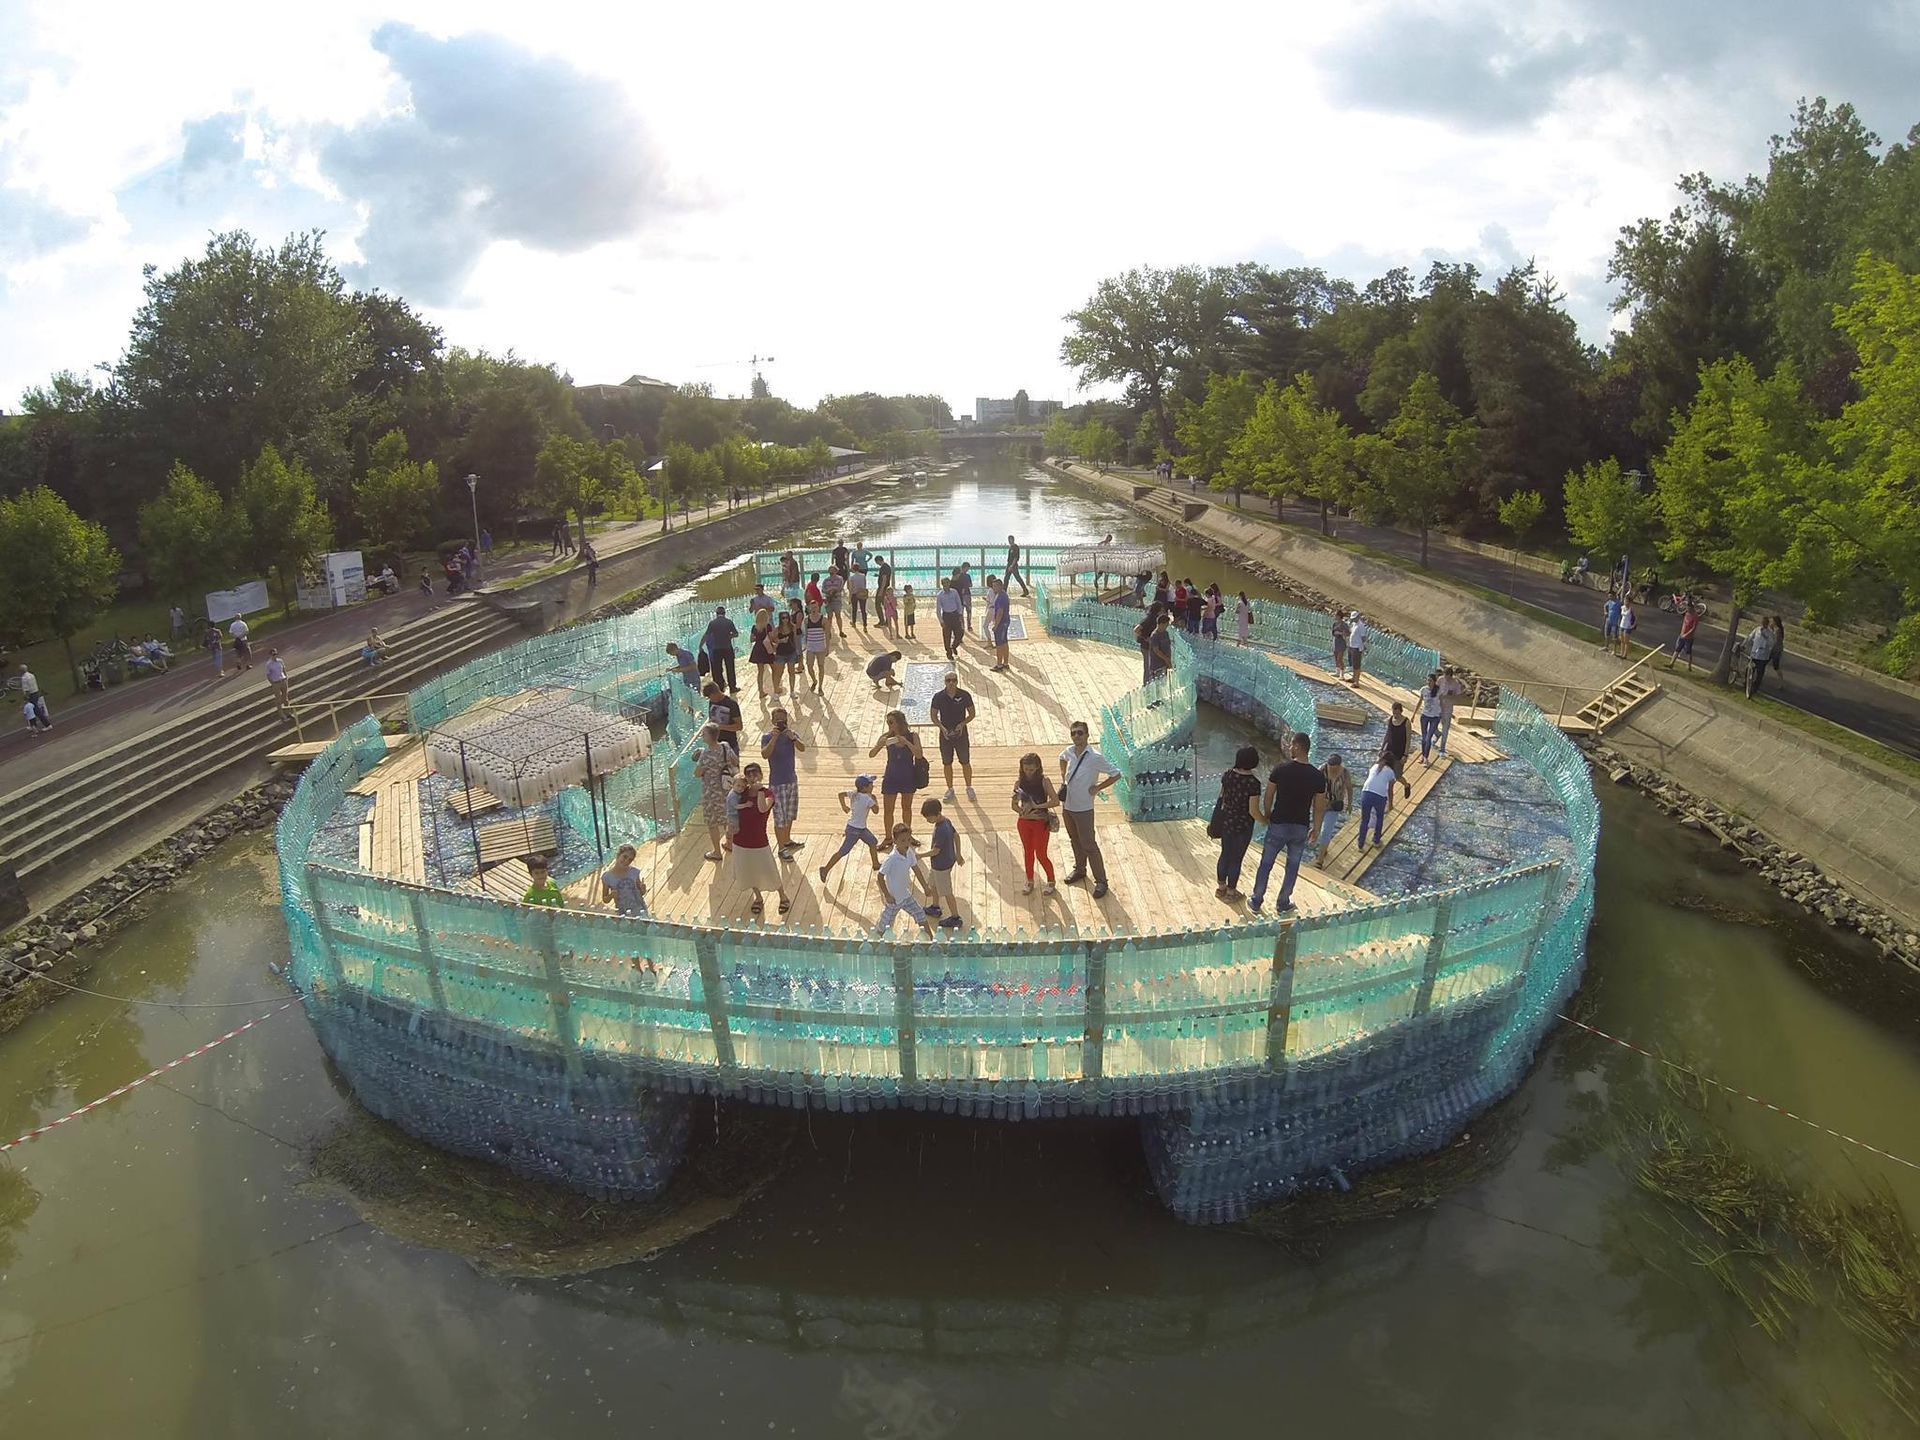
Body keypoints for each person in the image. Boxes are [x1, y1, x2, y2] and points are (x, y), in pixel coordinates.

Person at [1248, 732, 1329, 915]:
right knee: (1292, 866)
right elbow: (1319, 807)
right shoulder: (1317, 777)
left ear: (1298, 747)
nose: (1290, 748)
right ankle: (1283, 902)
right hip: (1300, 827)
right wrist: (1316, 828)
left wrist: (1268, 814)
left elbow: (1268, 794)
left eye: (1292, 745)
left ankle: (1256, 900)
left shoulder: (1281, 769)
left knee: (1266, 863)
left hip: (1278, 823)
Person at [1057, 720, 1120, 898]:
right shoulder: (1069, 751)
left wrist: (1098, 788)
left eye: (1080, 733)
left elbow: (1116, 774)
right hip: (1068, 805)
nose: (1076, 736)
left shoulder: (1094, 757)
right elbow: (1061, 758)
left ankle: (1101, 881)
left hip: (1084, 808)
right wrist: (1063, 777)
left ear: (1087, 735)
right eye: (1073, 733)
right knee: (1074, 839)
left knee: (1089, 845)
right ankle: (1080, 869)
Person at [728, 763, 791, 916]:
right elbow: (730, 807)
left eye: (755, 774)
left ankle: (782, 896)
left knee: (769, 869)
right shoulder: (741, 792)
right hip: (741, 840)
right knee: (748, 871)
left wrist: (760, 791)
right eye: (748, 775)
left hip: (759, 840)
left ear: (761, 775)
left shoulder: (768, 793)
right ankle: (758, 897)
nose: (752, 777)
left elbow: (763, 808)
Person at [1212, 745, 1264, 902]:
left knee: (1225, 854)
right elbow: (1253, 811)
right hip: (1243, 826)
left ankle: (1221, 888)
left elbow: (1222, 796)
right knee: (1236, 858)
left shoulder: (1228, 775)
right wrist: (1265, 820)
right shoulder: (1253, 783)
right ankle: (1231, 892)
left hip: (1227, 821)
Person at [759, 707, 807, 857]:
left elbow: (802, 748)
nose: (781, 723)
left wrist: (792, 737)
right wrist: (774, 738)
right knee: (779, 817)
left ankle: (787, 840)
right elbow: (765, 755)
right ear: (773, 721)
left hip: (791, 781)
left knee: (790, 814)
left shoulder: (791, 735)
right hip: (777, 784)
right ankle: (781, 848)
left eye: (784, 720)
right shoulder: (767, 737)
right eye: (778, 720)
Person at [1010, 751, 1059, 895]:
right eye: (1026, 769)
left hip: (1040, 823)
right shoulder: (1019, 782)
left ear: (1038, 767)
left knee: (1041, 854)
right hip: (1024, 822)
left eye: (1031, 769)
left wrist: (1037, 807)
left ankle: (1051, 880)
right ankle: (1029, 880)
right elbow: (1013, 805)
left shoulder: (1045, 781)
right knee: (1028, 852)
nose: (1029, 772)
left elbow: (1055, 801)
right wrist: (1021, 811)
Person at [874, 825, 936, 937]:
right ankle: (876, 945)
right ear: (895, 841)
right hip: (893, 901)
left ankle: (931, 942)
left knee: (921, 916)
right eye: (903, 840)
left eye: (908, 839)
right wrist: (887, 895)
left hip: (906, 896)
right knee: (883, 928)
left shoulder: (909, 853)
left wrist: (925, 887)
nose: (906, 843)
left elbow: (916, 869)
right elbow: (880, 877)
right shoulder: (891, 859)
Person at [869, 708, 924, 835]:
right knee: (888, 810)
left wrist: (906, 743)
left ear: (899, 722)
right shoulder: (886, 737)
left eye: (891, 722)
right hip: (891, 776)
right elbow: (871, 754)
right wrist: (879, 745)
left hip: (907, 776)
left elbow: (919, 755)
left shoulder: (912, 736)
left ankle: (907, 836)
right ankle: (888, 836)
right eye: (888, 722)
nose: (889, 725)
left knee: (906, 808)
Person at [819, 775, 883, 882]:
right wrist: (875, 800)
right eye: (871, 784)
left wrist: (844, 806)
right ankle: (825, 869)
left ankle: (876, 864)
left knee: (873, 842)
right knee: (843, 851)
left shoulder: (853, 793)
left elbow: (840, 794)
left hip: (856, 828)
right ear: (864, 788)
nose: (873, 786)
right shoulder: (868, 799)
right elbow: (876, 811)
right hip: (856, 831)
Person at [919, 797, 965, 929]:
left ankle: (955, 917)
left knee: (946, 892)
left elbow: (935, 851)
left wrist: (920, 855)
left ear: (937, 814)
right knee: (933, 885)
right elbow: (956, 836)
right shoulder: (946, 821)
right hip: (940, 863)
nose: (928, 820)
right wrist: (958, 854)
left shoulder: (941, 830)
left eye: (929, 818)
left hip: (941, 866)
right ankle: (935, 907)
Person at [930, 671, 976, 799]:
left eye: (954, 680)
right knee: (947, 763)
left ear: (957, 681)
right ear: (944, 682)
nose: (951, 683)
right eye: (948, 680)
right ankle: (950, 789)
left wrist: (962, 724)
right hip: (945, 734)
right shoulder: (938, 697)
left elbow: (972, 714)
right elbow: (933, 715)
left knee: (965, 761)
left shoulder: (964, 695)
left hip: (961, 734)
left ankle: (969, 787)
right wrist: (941, 727)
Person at [1315, 754, 1351, 859]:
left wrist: (1349, 804)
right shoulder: (1322, 770)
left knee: (1326, 830)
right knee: (1316, 828)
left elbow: (1349, 788)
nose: (1332, 770)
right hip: (1321, 803)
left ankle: (1320, 859)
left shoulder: (1345, 773)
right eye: (1330, 768)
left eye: (1335, 768)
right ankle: (1323, 848)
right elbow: (1314, 785)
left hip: (1334, 805)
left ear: (1339, 766)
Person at [1356, 757, 1395, 850]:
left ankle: (1360, 843)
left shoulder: (1374, 766)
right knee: (1379, 818)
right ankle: (1376, 840)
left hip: (1366, 792)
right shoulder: (1391, 772)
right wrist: (1390, 804)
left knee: (1364, 819)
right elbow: (1390, 790)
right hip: (1380, 796)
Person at [600, 844, 648, 916]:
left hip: (639, 909)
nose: (626, 861)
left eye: (630, 860)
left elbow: (641, 893)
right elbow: (605, 899)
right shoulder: (607, 877)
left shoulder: (634, 872)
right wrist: (611, 895)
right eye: (625, 857)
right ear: (618, 855)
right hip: (623, 911)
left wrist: (643, 889)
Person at [1379, 700, 1413, 799]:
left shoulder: (1406, 722)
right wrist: (1382, 749)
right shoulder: (1390, 720)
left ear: (1401, 711)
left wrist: (1405, 754)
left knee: (1397, 776)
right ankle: (1388, 799)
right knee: (1386, 775)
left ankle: (1406, 785)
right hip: (1389, 752)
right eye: (1394, 713)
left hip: (1399, 753)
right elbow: (1387, 736)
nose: (1395, 715)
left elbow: (1408, 739)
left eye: (1397, 713)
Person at [702, 606, 739, 693]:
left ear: (716, 614)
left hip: (717, 649)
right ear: (724, 613)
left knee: (717, 669)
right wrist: (729, 636)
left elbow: (707, 635)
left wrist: (701, 645)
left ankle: (720, 688)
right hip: (727, 647)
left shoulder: (712, 623)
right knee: (730, 668)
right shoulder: (729, 622)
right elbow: (736, 634)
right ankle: (732, 687)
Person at [1436, 666, 1466, 757]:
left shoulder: (1455, 684)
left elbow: (1459, 697)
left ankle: (1442, 748)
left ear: (1451, 676)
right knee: (1434, 723)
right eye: (1445, 677)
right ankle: (1437, 734)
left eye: (1448, 677)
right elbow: (1436, 689)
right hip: (1438, 705)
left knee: (1445, 727)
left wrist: (1449, 696)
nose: (1446, 679)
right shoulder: (1440, 679)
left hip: (1448, 707)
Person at [703, 681, 743, 747]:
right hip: (715, 744)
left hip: (730, 744)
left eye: (710, 697)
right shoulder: (712, 702)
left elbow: (739, 726)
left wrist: (720, 726)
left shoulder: (731, 704)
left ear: (714, 694)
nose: (710, 699)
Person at [802, 603, 831, 692]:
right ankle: (814, 680)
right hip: (810, 646)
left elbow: (827, 635)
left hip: (820, 646)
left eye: (815, 607)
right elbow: (805, 634)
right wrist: (804, 646)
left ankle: (820, 687)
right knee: (809, 666)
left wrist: (827, 648)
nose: (814, 609)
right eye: (812, 608)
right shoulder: (806, 620)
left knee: (821, 666)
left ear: (818, 608)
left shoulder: (824, 620)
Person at [748, 609, 777, 698]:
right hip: (766, 648)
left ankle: (761, 691)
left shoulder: (754, 627)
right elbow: (771, 637)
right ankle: (776, 688)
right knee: (774, 669)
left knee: (760, 671)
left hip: (757, 649)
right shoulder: (768, 626)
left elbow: (751, 639)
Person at [1417, 673, 1445, 764]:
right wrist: (1414, 714)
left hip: (1435, 717)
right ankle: (1423, 755)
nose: (1429, 682)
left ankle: (1426, 757)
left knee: (1428, 737)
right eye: (1428, 680)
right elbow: (1419, 702)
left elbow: (1442, 703)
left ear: (1434, 681)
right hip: (1425, 715)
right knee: (1423, 737)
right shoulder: (1423, 690)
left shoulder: (1438, 691)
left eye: (1431, 681)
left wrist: (1443, 715)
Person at [986, 575, 1012, 672]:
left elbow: (1000, 612)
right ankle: (1005, 662)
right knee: (1004, 642)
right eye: (993, 586)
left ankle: (999, 664)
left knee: (999, 644)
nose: (994, 588)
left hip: (1001, 623)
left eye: (995, 586)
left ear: (1000, 586)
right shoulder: (1004, 595)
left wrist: (995, 625)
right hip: (1006, 621)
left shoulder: (1001, 597)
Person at [1744, 617, 1774, 698]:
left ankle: (1755, 688)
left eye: (1765, 623)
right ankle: (1746, 684)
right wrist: (1744, 644)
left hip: (1763, 656)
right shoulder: (1757, 629)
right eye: (1762, 622)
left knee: (1760, 673)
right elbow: (1750, 637)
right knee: (1749, 668)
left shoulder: (1770, 632)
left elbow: (1771, 643)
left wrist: (1766, 637)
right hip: (1754, 654)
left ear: (1767, 624)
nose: (1763, 624)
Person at [774, 614, 802, 698]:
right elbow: (774, 640)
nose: (785, 620)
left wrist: (798, 651)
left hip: (791, 652)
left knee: (791, 672)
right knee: (779, 673)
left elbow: (795, 639)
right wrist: (781, 640)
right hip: (780, 653)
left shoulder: (793, 627)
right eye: (783, 618)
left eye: (787, 617)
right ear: (780, 619)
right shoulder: (777, 629)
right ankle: (776, 692)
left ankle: (792, 691)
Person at [935, 578, 963, 660]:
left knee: (960, 633)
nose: (946, 585)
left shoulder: (954, 592)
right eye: (944, 583)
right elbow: (938, 609)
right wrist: (941, 621)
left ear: (949, 583)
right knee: (947, 636)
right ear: (942, 584)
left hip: (955, 615)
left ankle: (954, 646)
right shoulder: (940, 595)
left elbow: (958, 603)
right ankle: (949, 652)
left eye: (947, 583)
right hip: (946, 616)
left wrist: (960, 614)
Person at [1668, 605, 1700, 671]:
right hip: (1681, 635)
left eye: (1688, 608)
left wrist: (1686, 634)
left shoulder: (1695, 616)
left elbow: (1693, 628)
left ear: (1692, 608)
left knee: (1688, 652)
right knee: (1677, 649)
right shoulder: (1686, 613)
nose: (1687, 609)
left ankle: (1689, 666)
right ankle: (1671, 663)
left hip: (1689, 637)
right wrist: (1682, 633)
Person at [1146, 611, 1174, 680]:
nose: (1167, 626)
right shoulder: (1155, 635)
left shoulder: (1166, 633)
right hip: (1157, 665)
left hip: (1165, 664)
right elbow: (1156, 650)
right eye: (1166, 625)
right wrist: (1166, 659)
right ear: (1161, 624)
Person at [822, 566, 847, 638]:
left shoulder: (840, 579)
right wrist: (829, 591)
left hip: (837, 599)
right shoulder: (826, 580)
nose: (831, 572)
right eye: (830, 570)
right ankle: (829, 632)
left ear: (836, 571)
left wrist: (833, 589)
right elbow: (823, 589)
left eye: (832, 570)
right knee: (829, 617)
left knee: (838, 615)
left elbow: (840, 588)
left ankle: (841, 631)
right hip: (829, 599)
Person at [1346, 613, 1368, 685]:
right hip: (1352, 646)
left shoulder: (1361, 626)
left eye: (1355, 618)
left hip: (1357, 647)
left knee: (1357, 665)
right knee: (1353, 663)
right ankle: (1353, 678)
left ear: (1358, 617)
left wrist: (1364, 646)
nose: (1353, 619)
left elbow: (1363, 637)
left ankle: (1357, 681)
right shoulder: (1354, 625)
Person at [847, 564, 870, 630]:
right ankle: (865, 625)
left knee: (854, 609)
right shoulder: (863, 576)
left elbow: (851, 588)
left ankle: (854, 622)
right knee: (863, 609)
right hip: (862, 593)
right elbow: (865, 585)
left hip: (854, 594)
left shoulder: (852, 577)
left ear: (853, 569)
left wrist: (849, 597)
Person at [1331, 610, 1350, 677]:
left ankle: (1342, 673)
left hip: (1341, 642)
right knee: (1336, 657)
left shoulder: (1344, 624)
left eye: (1336, 615)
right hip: (1335, 641)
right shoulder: (1335, 624)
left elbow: (1348, 633)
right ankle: (1337, 671)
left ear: (1339, 616)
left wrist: (1341, 633)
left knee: (1340, 658)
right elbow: (1333, 632)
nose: (1334, 616)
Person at [1769, 616, 1786, 683]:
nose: (1771, 622)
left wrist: (1771, 648)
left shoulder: (1778, 630)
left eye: (1772, 621)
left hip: (1776, 650)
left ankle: (1781, 681)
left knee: (1776, 666)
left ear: (1775, 622)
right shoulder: (1774, 629)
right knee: (1763, 662)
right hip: (1774, 649)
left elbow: (1776, 641)